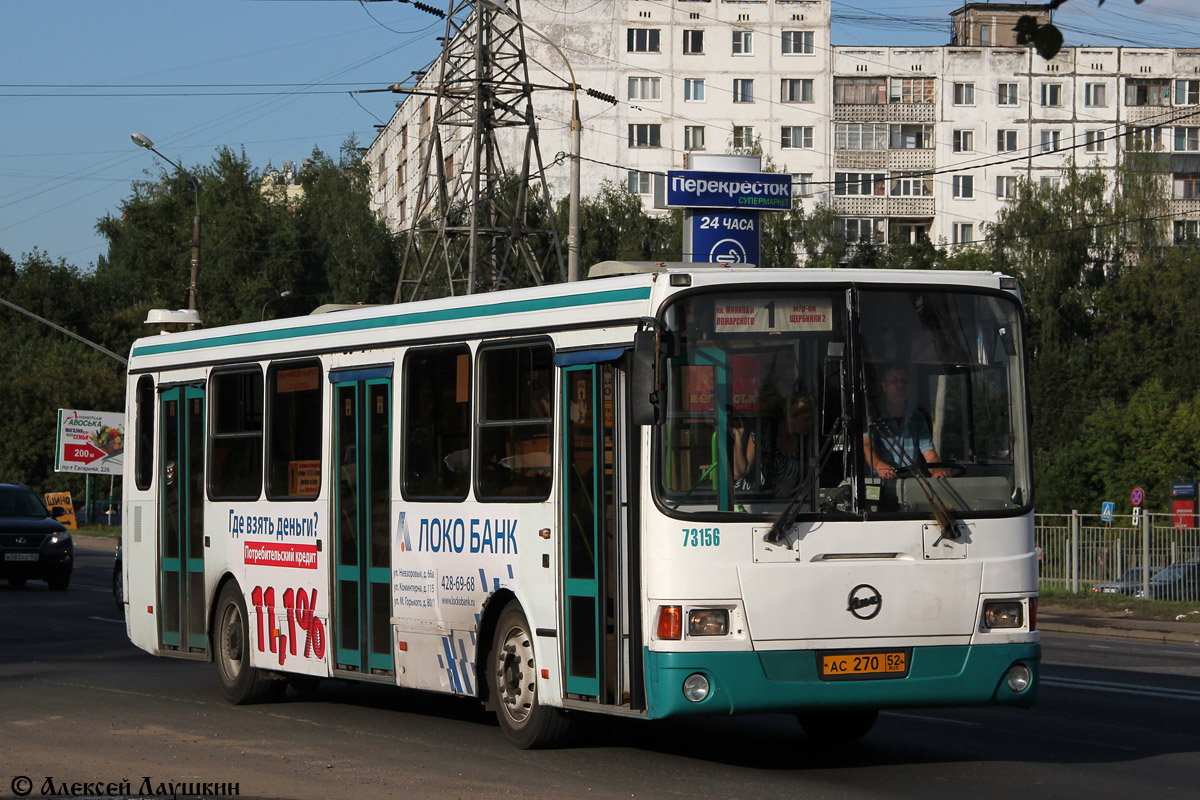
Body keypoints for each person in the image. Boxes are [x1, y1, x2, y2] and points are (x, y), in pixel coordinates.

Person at [862, 365, 950, 479]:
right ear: (884, 386)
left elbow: (929, 453)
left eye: (904, 381)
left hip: (913, 485)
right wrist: (880, 466)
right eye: (894, 381)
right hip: (883, 486)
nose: (900, 385)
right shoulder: (872, 418)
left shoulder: (917, 417)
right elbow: (866, 446)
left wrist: (937, 470)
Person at [732, 391, 816, 493]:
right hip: (752, 500)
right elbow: (741, 471)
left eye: (812, 419)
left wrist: (790, 488)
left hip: (789, 504)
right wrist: (738, 437)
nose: (811, 423)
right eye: (806, 419)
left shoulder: (805, 441)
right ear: (791, 417)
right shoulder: (763, 434)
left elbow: (804, 474)